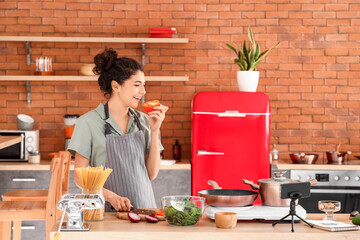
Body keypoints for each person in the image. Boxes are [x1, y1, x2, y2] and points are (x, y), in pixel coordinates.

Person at [68, 48, 168, 212]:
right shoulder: (88, 123)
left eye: (144, 85)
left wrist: (155, 131)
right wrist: (110, 197)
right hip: (104, 211)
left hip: (144, 209)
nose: (143, 92)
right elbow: (80, 177)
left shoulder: (145, 121)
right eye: (137, 85)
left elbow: (151, 174)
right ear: (116, 86)